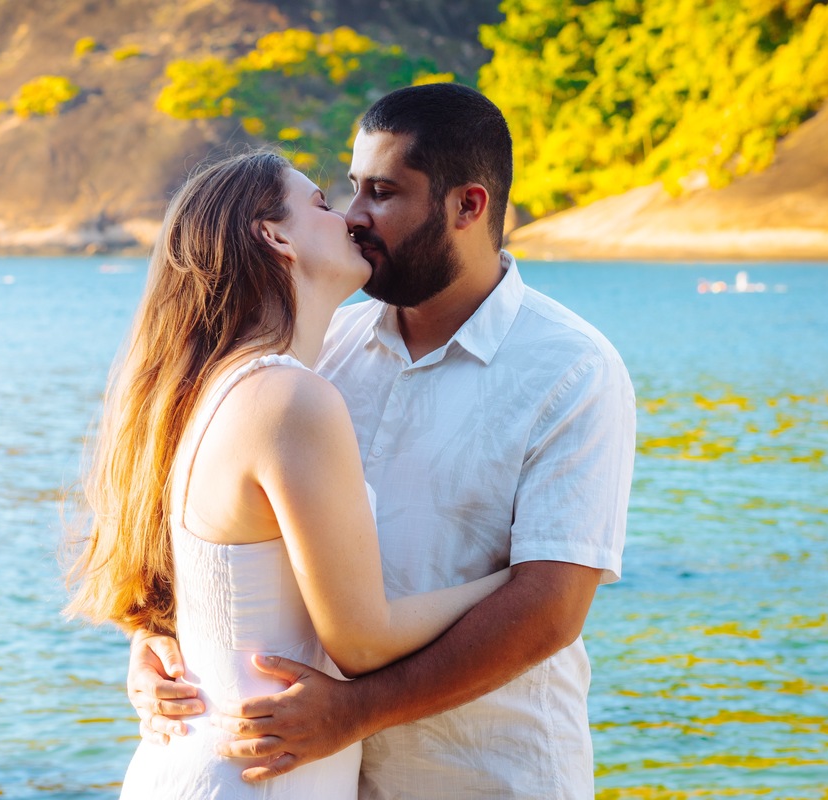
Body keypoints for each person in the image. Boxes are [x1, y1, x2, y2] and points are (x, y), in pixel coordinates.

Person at [127, 83, 636, 798]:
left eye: (383, 191)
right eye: (349, 189)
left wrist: (356, 713)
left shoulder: (573, 370)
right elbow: (224, 519)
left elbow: (550, 611)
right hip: (316, 775)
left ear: (468, 206)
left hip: (486, 778)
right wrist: (163, 640)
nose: (357, 215)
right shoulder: (318, 350)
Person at [65, 150, 514, 799]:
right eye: (324, 205)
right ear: (274, 236)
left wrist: (150, 639)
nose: (353, 220)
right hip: (255, 778)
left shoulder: (211, 390)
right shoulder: (289, 399)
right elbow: (362, 639)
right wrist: (515, 580)